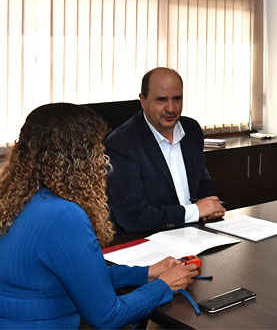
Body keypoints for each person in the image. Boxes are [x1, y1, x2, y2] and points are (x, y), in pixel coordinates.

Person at [0, 103, 198, 328]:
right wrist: (164, 285)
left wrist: (146, 273)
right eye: (97, 147)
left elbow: (82, 279)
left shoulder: (18, 199)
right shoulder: (63, 215)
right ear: (79, 156)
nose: (103, 158)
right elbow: (108, 316)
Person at [105, 67, 225, 233]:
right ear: (143, 100)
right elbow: (132, 217)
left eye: (177, 99)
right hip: (149, 242)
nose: (171, 108)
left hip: (197, 234)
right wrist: (194, 211)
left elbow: (202, 182)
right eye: (161, 100)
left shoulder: (191, 129)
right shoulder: (121, 143)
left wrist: (211, 206)